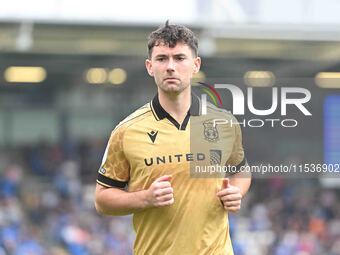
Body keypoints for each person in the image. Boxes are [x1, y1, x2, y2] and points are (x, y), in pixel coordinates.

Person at [95, 21, 251, 255]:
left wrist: (236, 192)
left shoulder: (223, 123)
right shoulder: (127, 131)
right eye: (162, 59)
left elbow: (241, 171)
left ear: (195, 64)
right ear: (150, 66)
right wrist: (145, 198)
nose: (170, 67)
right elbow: (102, 200)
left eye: (179, 58)